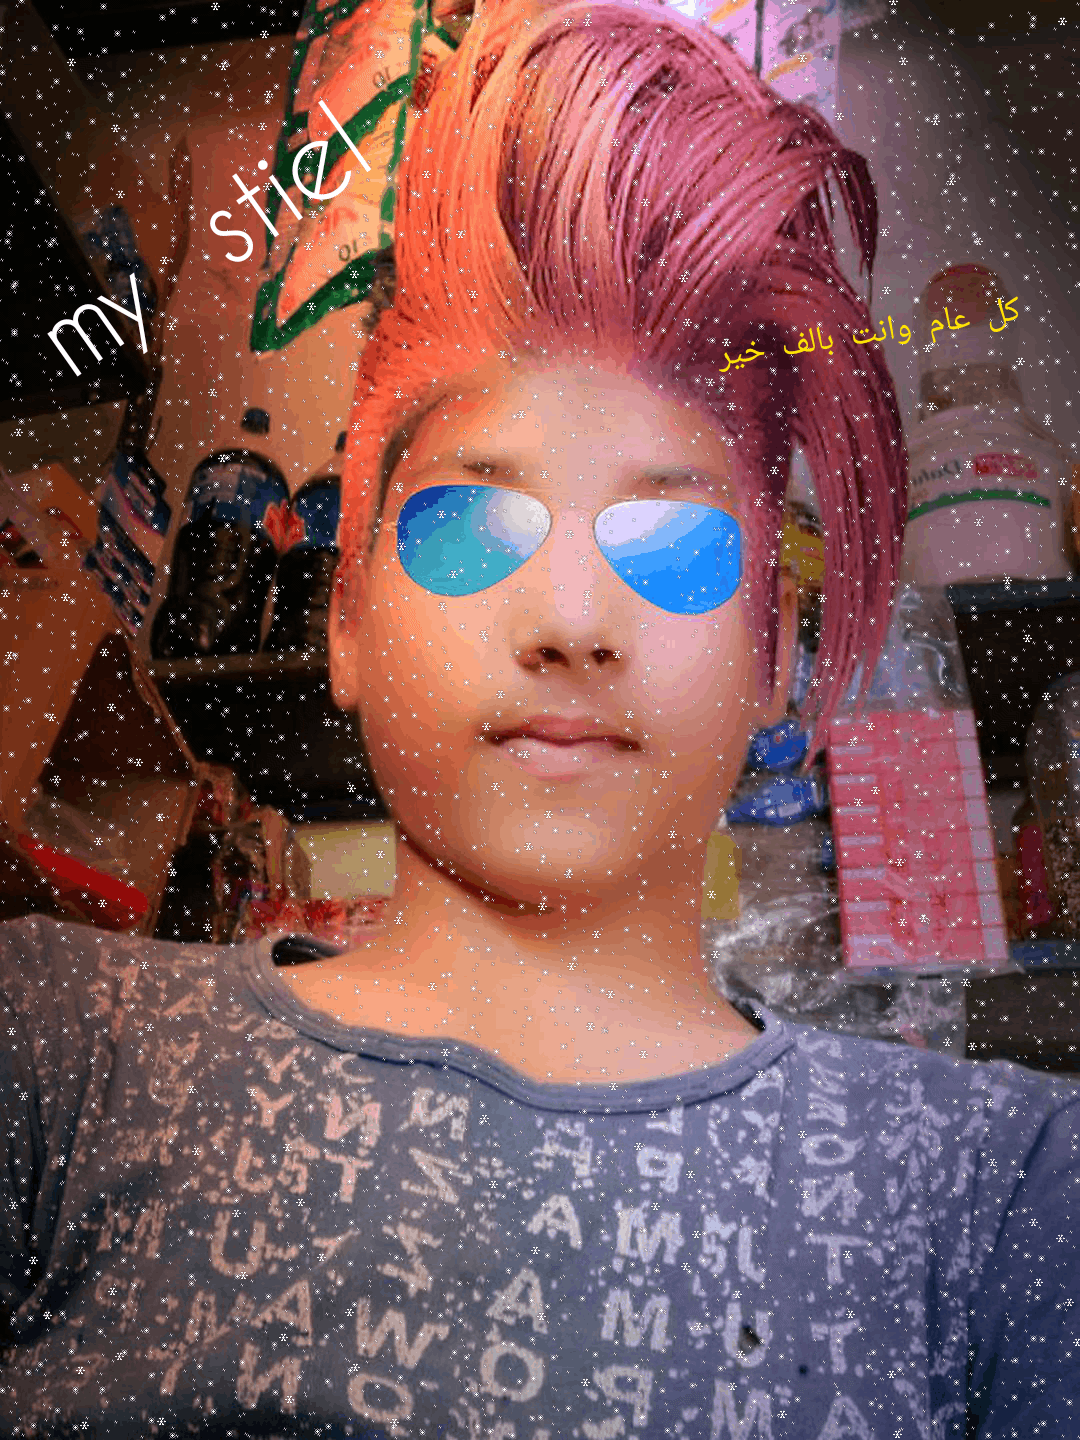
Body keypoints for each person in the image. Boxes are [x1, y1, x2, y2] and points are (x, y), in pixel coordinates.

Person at [1, 1, 1077, 1436]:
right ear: (345, 615)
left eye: (674, 542)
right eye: (470, 524)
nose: (572, 617)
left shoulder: (1000, 1203)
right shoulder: (62, 1057)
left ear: (771, 648)